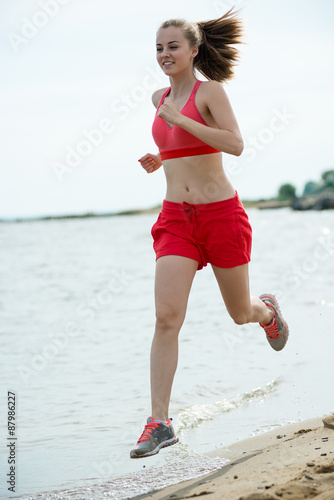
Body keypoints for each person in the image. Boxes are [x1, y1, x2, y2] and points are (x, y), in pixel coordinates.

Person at [130, 9, 289, 459]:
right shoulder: (159, 97)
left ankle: (267, 312)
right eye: (159, 48)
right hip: (176, 219)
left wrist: (181, 122)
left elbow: (235, 143)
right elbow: (184, 147)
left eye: (173, 46)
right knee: (166, 317)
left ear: (194, 50)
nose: (164, 54)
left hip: (220, 215)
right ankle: (159, 422)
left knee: (240, 312)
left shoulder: (210, 92)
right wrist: (160, 158)